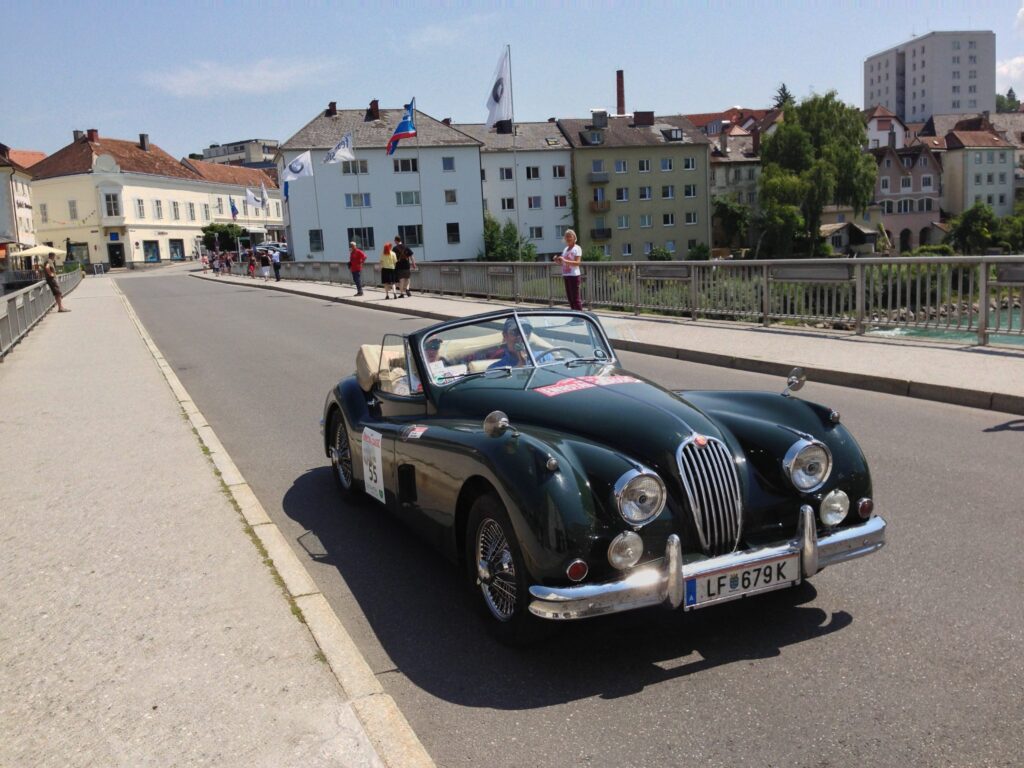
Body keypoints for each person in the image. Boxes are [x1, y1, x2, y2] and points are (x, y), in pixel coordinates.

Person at [554, 229, 583, 310]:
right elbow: (562, 263)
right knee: (570, 298)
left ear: (574, 237)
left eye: (570, 236)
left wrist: (564, 260)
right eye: (566, 237)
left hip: (574, 275)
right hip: (566, 275)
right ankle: (574, 316)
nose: (568, 238)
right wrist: (557, 261)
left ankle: (580, 317)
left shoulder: (577, 248)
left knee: (575, 299)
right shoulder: (565, 249)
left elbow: (577, 263)